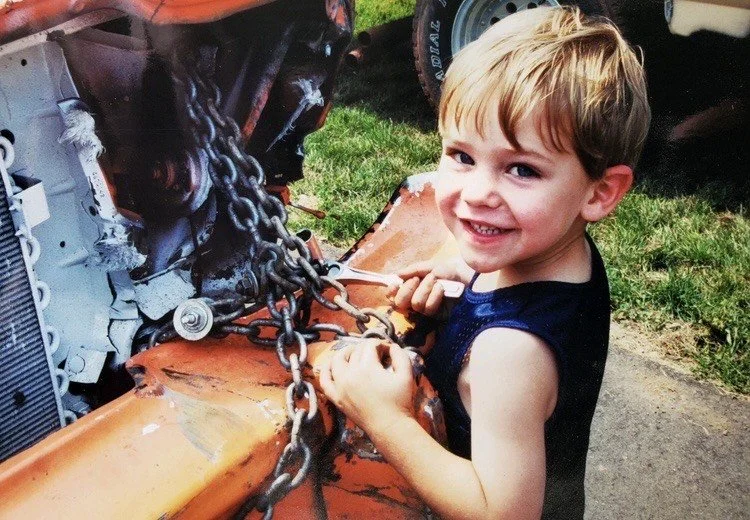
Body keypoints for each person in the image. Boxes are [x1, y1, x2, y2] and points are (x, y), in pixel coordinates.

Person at [318, 6, 651, 519]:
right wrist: (460, 270)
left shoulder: (508, 353)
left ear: (601, 191)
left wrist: (385, 418)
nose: (477, 194)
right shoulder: (556, 249)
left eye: (521, 169)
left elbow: (499, 510)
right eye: (462, 156)